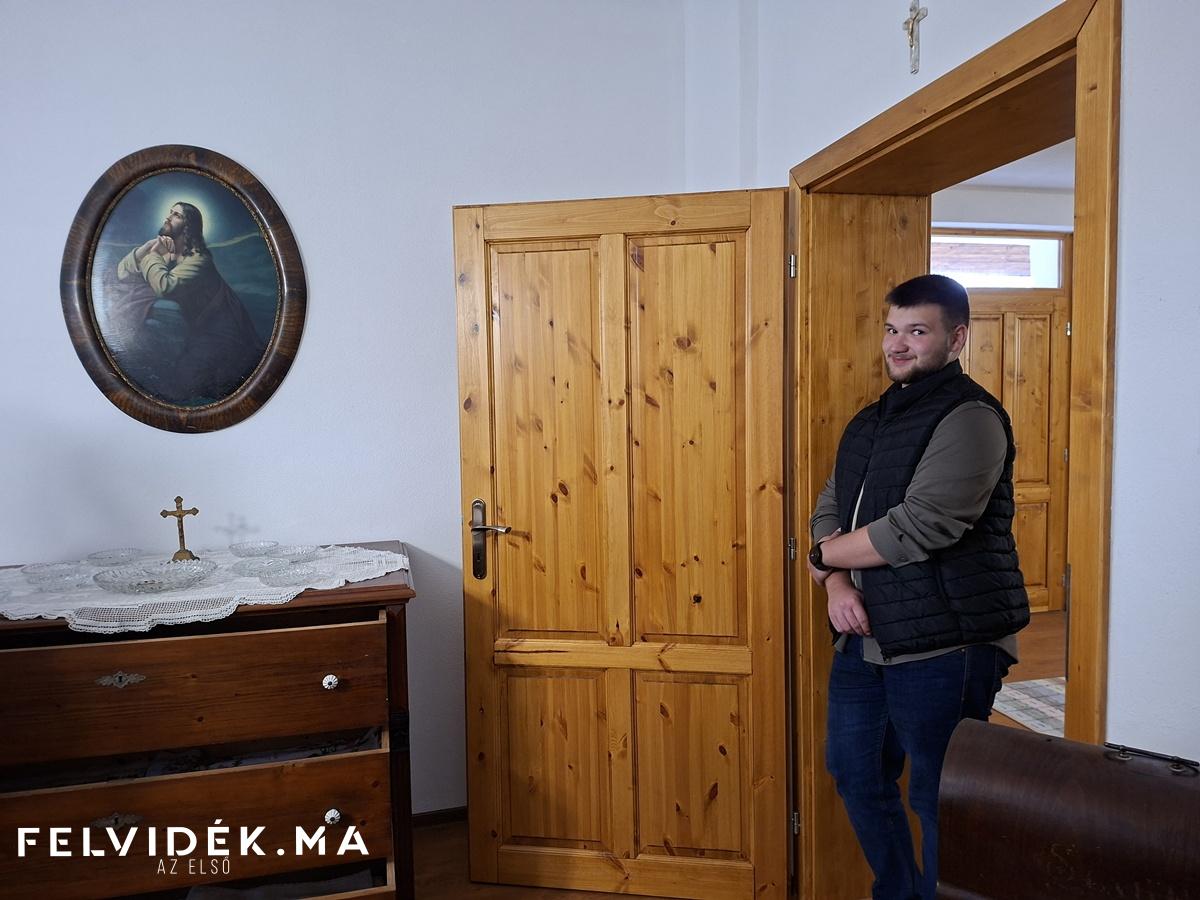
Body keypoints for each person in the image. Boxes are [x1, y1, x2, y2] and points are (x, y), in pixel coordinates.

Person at [806, 273, 1029, 900]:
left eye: (917, 331)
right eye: (891, 329)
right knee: (856, 776)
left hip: (947, 645)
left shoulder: (972, 418)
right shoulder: (869, 421)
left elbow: (924, 524)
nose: (897, 344)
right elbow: (831, 506)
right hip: (865, 637)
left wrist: (821, 557)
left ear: (956, 339)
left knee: (938, 797)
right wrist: (836, 585)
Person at [112, 201, 264, 403]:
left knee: (181, 388)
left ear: (188, 226)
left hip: (220, 333)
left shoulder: (199, 261)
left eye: (176, 215)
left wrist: (154, 256)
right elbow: (123, 272)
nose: (168, 217)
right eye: (170, 212)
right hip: (196, 328)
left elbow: (165, 286)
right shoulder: (171, 255)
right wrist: (146, 249)